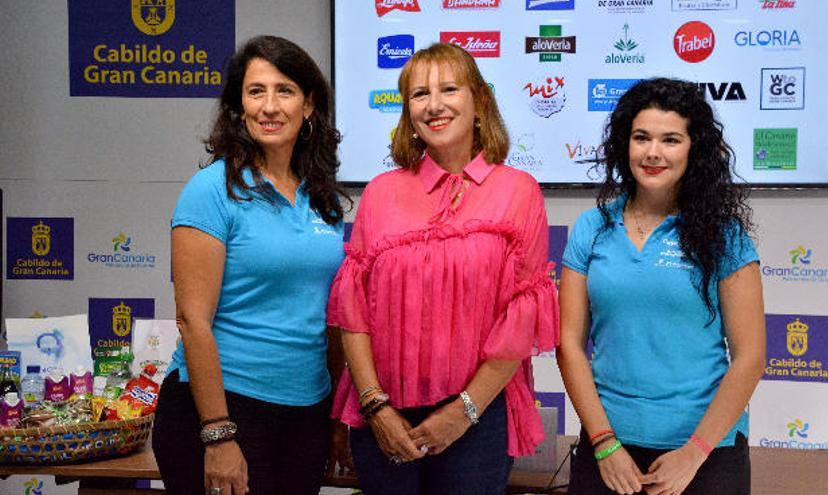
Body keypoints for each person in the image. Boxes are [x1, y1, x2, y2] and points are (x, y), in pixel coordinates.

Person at [328, 43, 559, 495]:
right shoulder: (380, 192)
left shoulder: (518, 191)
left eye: (449, 89)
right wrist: (376, 407)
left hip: (477, 416)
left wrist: (462, 412)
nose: (434, 105)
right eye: (419, 94)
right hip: (383, 416)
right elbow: (354, 313)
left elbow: (520, 320)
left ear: (479, 102)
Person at [152, 35, 348, 495]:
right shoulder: (212, 190)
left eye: (285, 90)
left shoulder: (323, 200)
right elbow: (192, 321)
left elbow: (332, 319)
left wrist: (338, 417)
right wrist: (219, 434)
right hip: (224, 412)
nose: (270, 106)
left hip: (307, 411)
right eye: (256, 91)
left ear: (309, 105)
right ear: (239, 107)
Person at [556, 78, 765, 495]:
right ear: (624, 144)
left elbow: (751, 356)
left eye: (671, 139)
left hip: (705, 454)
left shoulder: (724, 235)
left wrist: (694, 453)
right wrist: (603, 444)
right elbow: (568, 344)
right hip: (608, 449)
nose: (653, 152)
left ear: (694, 149)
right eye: (641, 138)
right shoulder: (592, 229)